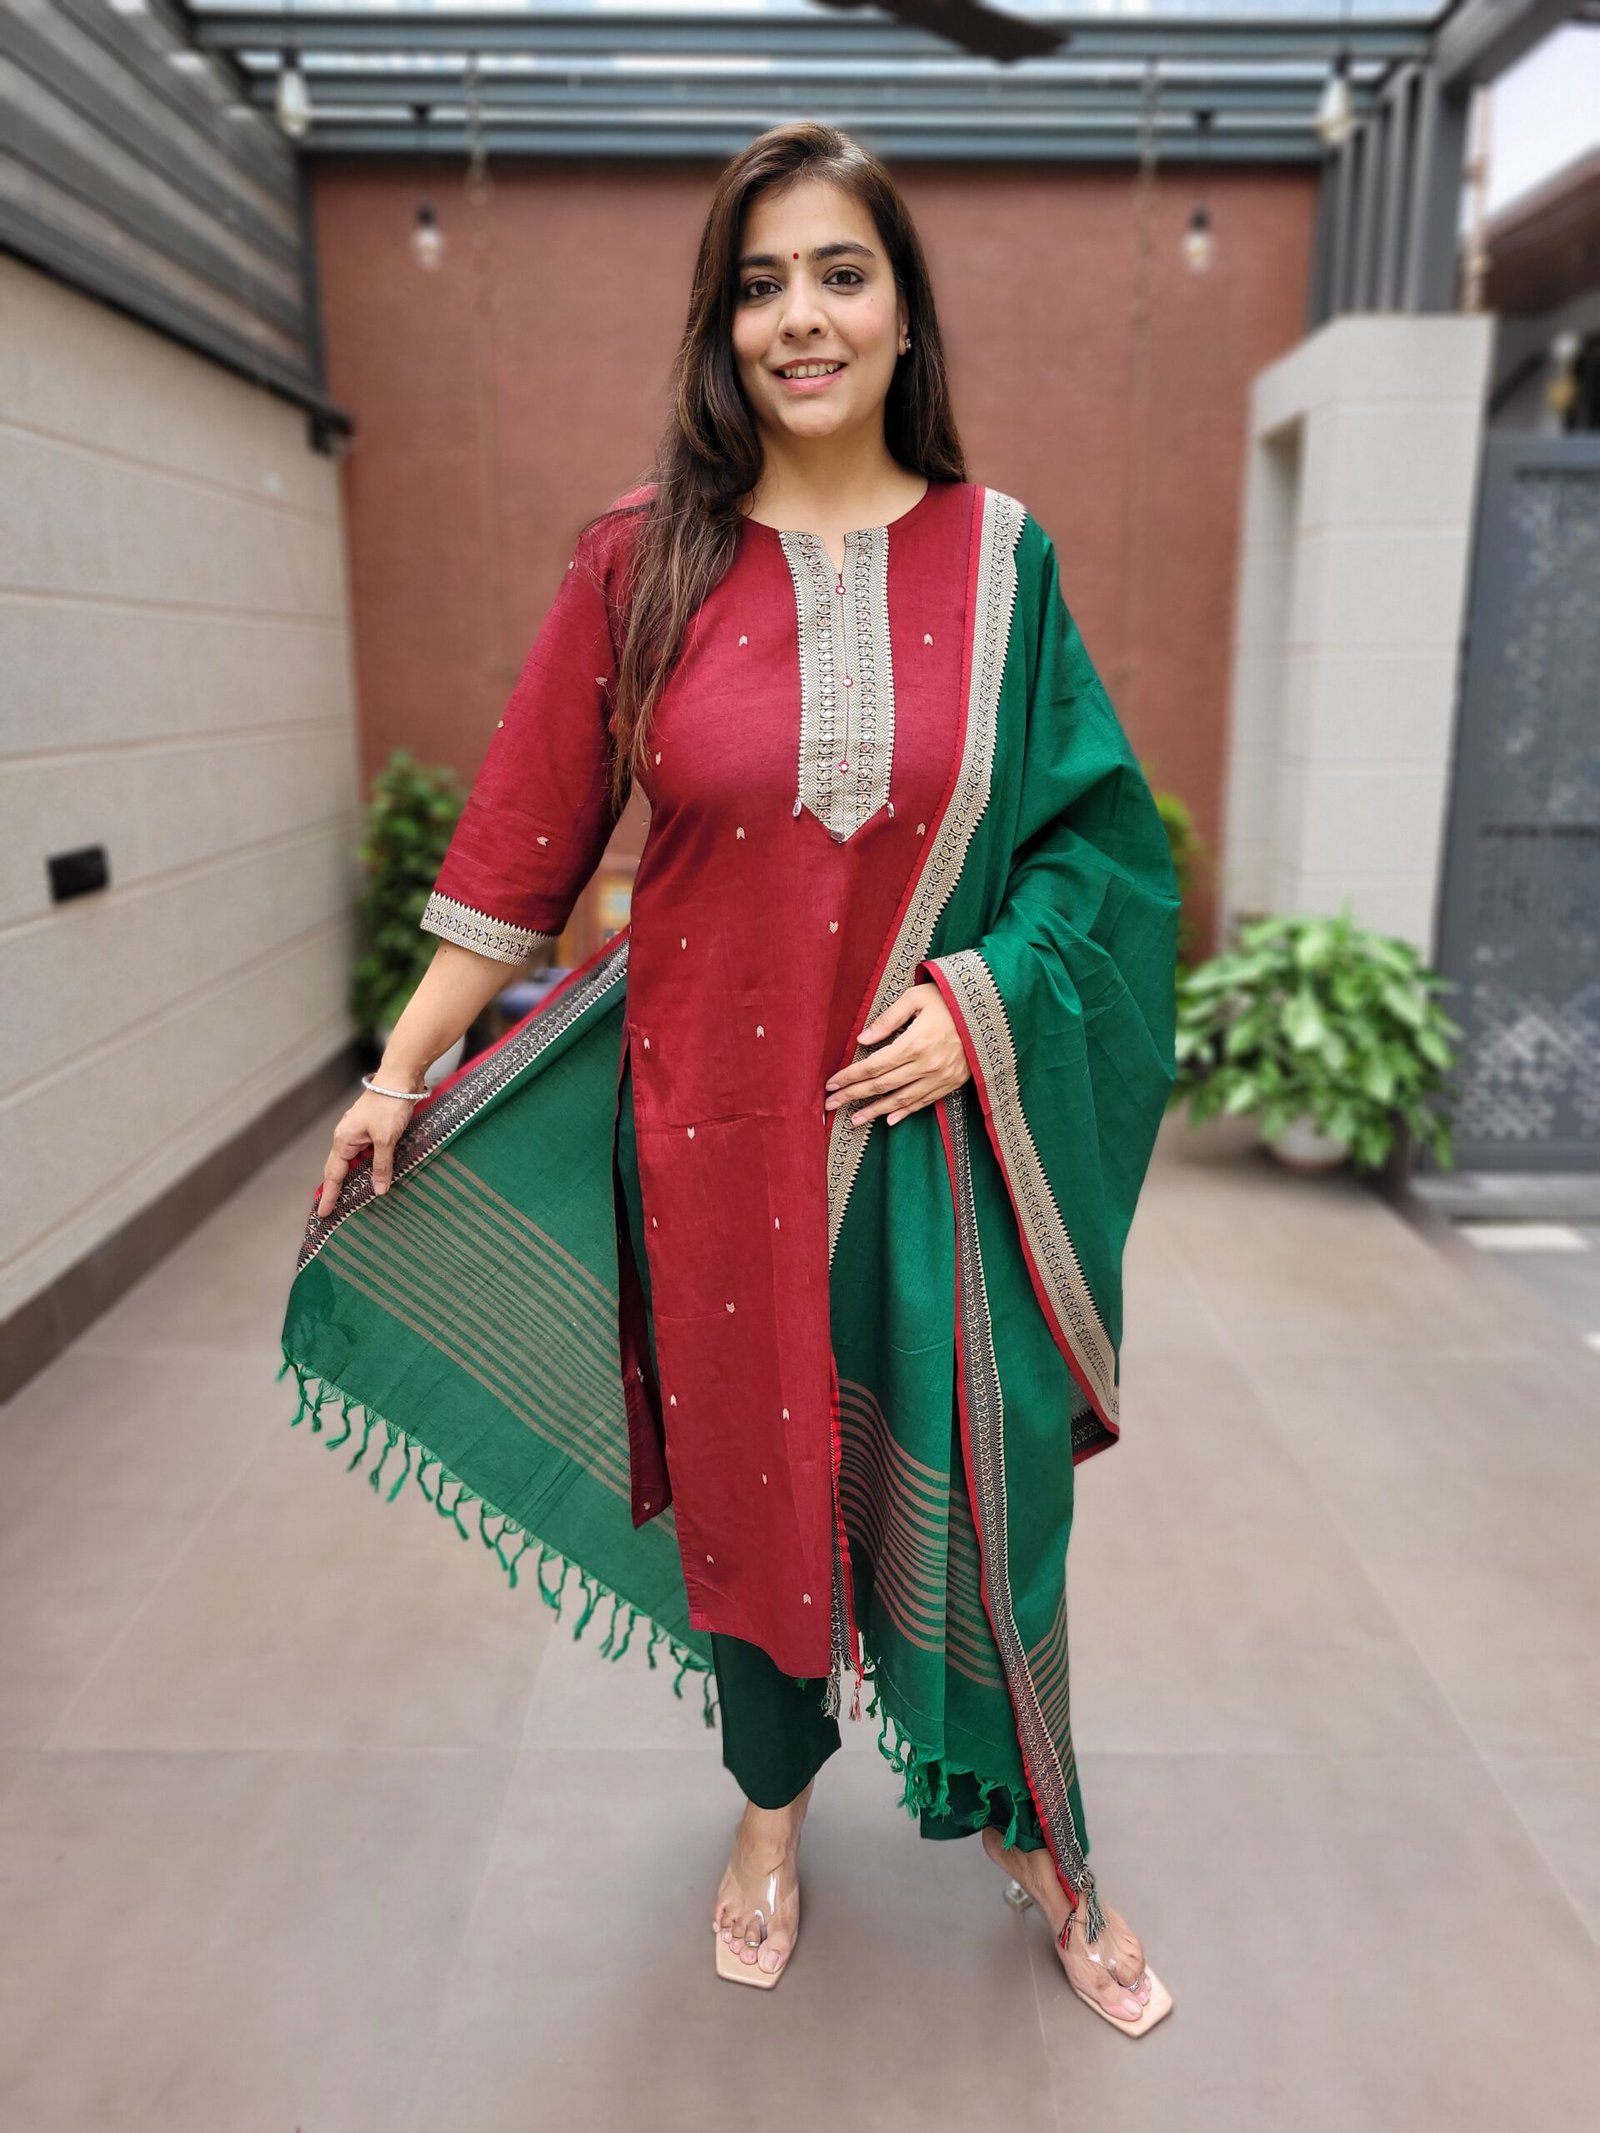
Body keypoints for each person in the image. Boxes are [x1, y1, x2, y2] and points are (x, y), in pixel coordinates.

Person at [281, 119, 1178, 2034]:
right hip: (714, 1134)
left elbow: (1099, 855)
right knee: (759, 1487)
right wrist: (398, 1070)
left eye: (841, 273)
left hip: (942, 1135)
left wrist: (985, 999)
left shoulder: (1002, 562)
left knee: (993, 1482)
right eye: (760, 284)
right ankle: (768, 1814)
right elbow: (521, 846)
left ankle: (1034, 1823)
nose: (801, 318)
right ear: (722, 325)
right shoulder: (643, 557)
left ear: (905, 310)